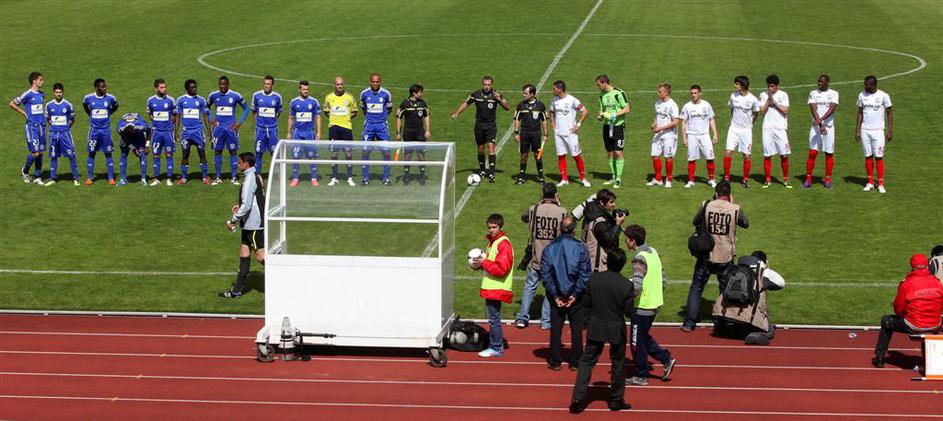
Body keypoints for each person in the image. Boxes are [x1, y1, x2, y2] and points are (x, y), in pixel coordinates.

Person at [569, 248, 634, 414]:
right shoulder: (627, 285)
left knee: (586, 362)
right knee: (618, 364)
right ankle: (616, 400)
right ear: (622, 265)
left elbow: (587, 303)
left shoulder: (594, 279)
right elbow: (628, 312)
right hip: (615, 328)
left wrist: (586, 321)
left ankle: (577, 398)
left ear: (607, 261)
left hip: (596, 326)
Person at [682, 179, 749, 331]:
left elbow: (695, 221)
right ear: (729, 194)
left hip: (706, 255)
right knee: (724, 290)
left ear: (716, 193)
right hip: (725, 256)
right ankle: (722, 323)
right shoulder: (735, 208)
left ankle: (689, 323)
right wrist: (733, 204)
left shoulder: (706, 205)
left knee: (696, 288)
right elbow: (745, 223)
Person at [623, 225, 676, 386]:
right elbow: (663, 277)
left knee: (636, 342)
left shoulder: (639, 258)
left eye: (626, 238)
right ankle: (666, 359)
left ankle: (641, 375)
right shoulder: (653, 252)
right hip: (654, 303)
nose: (625, 240)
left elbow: (637, 285)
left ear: (632, 241)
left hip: (643, 306)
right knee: (643, 337)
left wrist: (625, 296)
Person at [872, 254, 943, 367]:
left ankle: (879, 357)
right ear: (927, 266)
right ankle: (931, 359)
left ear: (912, 266)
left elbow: (898, 308)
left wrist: (904, 314)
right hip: (936, 324)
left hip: (915, 324)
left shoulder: (906, 284)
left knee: (886, 321)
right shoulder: (937, 282)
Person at [540, 216, 591, 371]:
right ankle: (575, 361)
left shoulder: (549, 248)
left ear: (559, 229)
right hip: (576, 297)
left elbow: (545, 274)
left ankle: (555, 361)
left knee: (556, 329)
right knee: (576, 330)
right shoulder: (581, 248)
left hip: (557, 297)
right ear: (574, 230)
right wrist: (574, 295)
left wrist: (556, 295)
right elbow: (585, 274)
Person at [516, 183, 566, 329]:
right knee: (550, 290)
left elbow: (524, 217)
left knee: (530, 287)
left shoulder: (534, 209)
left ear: (542, 194)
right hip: (553, 260)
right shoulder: (562, 211)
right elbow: (567, 228)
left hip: (536, 257)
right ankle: (545, 322)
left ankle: (522, 318)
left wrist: (538, 204)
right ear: (555, 195)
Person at [712, 251, 786, 345]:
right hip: (748, 319)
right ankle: (754, 335)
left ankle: (728, 329)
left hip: (726, 315)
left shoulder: (734, 269)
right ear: (764, 261)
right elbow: (781, 283)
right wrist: (766, 268)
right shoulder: (763, 272)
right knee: (770, 329)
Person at [219, 152, 266, 298]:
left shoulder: (250, 179)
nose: (238, 164)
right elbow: (251, 201)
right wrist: (239, 206)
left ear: (246, 163)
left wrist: (233, 220)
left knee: (260, 256)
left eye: (240, 162)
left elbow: (247, 206)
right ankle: (236, 290)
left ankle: (283, 276)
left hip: (254, 225)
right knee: (244, 253)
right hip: (249, 224)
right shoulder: (254, 176)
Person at [470, 214, 514, 358]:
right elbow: (493, 264)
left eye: (494, 227)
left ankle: (496, 347)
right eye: (489, 227)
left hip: (497, 287)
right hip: (493, 287)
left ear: (501, 227)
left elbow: (501, 269)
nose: (491, 230)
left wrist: (483, 263)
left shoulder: (503, 244)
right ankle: (495, 345)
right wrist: (481, 265)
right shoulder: (494, 242)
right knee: (493, 318)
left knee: (494, 319)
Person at [451, 75, 510, 182]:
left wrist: (500, 100)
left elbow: (507, 108)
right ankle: (482, 170)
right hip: (479, 125)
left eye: (488, 85)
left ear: (492, 85)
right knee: (481, 149)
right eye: (485, 84)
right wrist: (457, 113)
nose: (486, 86)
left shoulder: (496, 94)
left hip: (491, 126)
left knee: (491, 147)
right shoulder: (476, 94)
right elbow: (466, 103)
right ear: (482, 84)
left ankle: (491, 173)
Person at [208, 75, 250, 185]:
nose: (222, 86)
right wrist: (211, 120)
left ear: (227, 84)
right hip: (218, 129)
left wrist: (239, 123)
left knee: (232, 151)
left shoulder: (235, 96)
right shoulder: (213, 95)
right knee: (217, 151)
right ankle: (218, 177)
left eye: (224, 84)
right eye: (220, 84)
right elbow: (205, 107)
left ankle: (234, 177)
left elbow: (246, 108)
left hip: (231, 130)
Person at [856, 75, 893, 194]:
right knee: (868, 156)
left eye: (866, 84)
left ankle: (880, 184)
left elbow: (889, 113)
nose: (864, 86)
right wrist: (857, 130)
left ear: (873, 85)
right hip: (865, 130)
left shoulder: (883, 96)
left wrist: (890, 130)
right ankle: (870, 182)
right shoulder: (862, 95)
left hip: (878, 131)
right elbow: (860, 113)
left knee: (879, 157)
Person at [549, 80, 590, 187]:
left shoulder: (572, 100)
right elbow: (551, 111)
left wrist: (578, 125)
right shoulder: (554, 100)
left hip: (570, 134)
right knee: (561, 155)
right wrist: (553, 123)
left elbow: (585, 111)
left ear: (560, 89)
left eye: (554, 88)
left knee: (576, 156)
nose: (553, 90)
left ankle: (582, 178)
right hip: (558, 133)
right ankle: (564, 179)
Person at [8, 71, 46, 184]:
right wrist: (23, 113)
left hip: (41, 127)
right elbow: (12, 103)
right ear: (34, 81)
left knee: (41, 152)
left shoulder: (41, 94)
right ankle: (25, 171)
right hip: (31, 127)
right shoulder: (27, 94)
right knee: (35, 153)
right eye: (40, 80)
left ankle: (38, 176)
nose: (42, 81)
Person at [803, 74, 839, 189]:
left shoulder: (834, 93)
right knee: (812, 153)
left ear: (828, 82)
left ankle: (828, 179)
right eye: (818, 81)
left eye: (822, 82)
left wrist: (821, 121)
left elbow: (832, 108)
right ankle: (808, 179)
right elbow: (813, 109)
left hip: (829, 128)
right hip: (816, 128)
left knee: (829, 153)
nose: (819, 83)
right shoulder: (813, 93)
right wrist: (819, 124)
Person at [595, 75, 631, 188]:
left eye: (599, 85)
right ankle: (614, 176)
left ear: (605, 83)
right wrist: (600, 116)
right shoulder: (601, 96)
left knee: (618, 152)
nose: (598, 87)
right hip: (606, 126)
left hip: (618, 127)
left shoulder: (618, 93)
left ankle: (619, 179)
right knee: (610, 153)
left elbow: (627, 108)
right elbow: (602, 109)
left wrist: (614, 115)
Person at [723, 75, 759, 188]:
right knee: (728, 152)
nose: (735, 85)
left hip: (746, 131)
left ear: (743, 85)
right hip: (733, 129)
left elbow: (756, 113)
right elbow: (732, 109)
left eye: (737, 84)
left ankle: (745, 180)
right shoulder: (733, 95)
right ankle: (726, 178)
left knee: (746, 156)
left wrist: (750, 124)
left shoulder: (752, 99)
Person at [681, 85, 720, 188]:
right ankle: (691, 180)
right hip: (692, 135)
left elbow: (711, 119)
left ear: (700, 93)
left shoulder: (706, 105)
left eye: (695, 93)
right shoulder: (687, 106)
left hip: (705, 135)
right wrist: (684, 137)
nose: (693, 95)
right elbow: (683, 122)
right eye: (692, 93)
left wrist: (715, 133)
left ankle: (711, 179)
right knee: (691, 158)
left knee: (710, 157)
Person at [82, 78, 119, 185]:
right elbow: (84, 105)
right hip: (93, 131)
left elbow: (116, 106)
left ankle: (111, 178)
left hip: (106, 131)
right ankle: (89, 178)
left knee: (108, 153)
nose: (104, 88)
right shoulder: (88, 98)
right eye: (102, 87)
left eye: (105, 86)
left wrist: (109, 113)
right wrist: (90, 114)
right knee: (91, 153)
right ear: (96, 88)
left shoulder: (110, 98)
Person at [175, 79, 212, 184]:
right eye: (192, 87)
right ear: (187, 88)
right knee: (185, 154)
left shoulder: (201, 100)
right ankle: (184, 177)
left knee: (202, 153)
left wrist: (209, 131)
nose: (195, 89)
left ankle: (204, 177)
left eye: (195, 87)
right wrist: (176, 131)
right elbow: (178, 116)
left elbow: (205, 116)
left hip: (198, 132)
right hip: (186, 132)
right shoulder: (181, 100)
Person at [758, 75, 792, 189]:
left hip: (780, 129)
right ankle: (767, 180)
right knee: (767, 155)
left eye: (772, 86)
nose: (770, 88)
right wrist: (768, 101)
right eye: (768, 86)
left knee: (784, 155)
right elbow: (762, 111)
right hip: (767, 128)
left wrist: (775, 103)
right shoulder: (763, 95)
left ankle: (785, 179)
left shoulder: (783, 95)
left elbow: (786, 110)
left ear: (777, 86)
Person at [359, 73, 393, 186]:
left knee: (386, 152)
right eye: (373, 81)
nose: (375, 83)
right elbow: (363, 108)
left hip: (382, 126)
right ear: (370, 82)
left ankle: (386, 178)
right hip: (369, 125)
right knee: (365, 152)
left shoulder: (386, 94)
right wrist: (371, 118)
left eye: (377, 81)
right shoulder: (364, 94)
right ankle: (365, 178)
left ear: (380, 82)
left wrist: (380, 118)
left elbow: (389, 109)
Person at [43, 83, 80, 186]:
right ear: (53, 93)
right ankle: (53, 178)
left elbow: (72, 119)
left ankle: (76, 178)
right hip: (54, 135)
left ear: (62, 92)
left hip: (65, 134)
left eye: (60, 92)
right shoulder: (49, 105)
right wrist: (54, 127)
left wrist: (66, 128)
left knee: (71, 155)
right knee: (53, 156)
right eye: (56, 92)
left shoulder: (68, 105)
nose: (58, 94)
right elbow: (48, 118)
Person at [287, 80, 322, 187]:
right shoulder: (294, 102)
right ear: (299, 89)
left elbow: (318, 117)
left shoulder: (314, 102)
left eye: (307, 89)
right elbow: (291, 117)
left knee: (312, 156)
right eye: (303, 89)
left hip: (309, 133)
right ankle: (295, 178)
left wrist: (319, 132)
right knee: (295, 156)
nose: (306, 91)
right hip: (297, 133)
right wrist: (288, 133)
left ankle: (314, 178)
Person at [323, 76, 358, 186]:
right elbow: (326, 111)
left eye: (341, 84)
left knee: (348, 153)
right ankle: (334, 177)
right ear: (334, 85)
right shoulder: (329, 97)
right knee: (334, 154)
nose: (340, 86)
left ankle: (350, 177)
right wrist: (334, 119)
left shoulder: (349, 97)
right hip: (333, 128)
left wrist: (347, 118)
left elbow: (355, 111)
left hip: (346, 128)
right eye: (338, 84)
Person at [581, 189, 626, 272]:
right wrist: (617, 225)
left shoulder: (591, 213)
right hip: (597, 265)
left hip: (587, 259)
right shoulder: (599, 221)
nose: (614, 205)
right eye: (611, 202)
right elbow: (609, 240)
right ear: (602, 202)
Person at [396, 84, 431, 185]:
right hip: (408, 132)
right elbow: (399, 118)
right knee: (408, 154)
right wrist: (398, 133)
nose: (422, 94)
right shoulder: (405, 104)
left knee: (421, 154)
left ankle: (422, 175)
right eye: (420, 92)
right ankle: (406, 176)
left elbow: (427, 116)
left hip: (420, 132)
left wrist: (427, 130)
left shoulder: (423, 103)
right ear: (414, 93)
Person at [513, 83, 548, 184]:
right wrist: (516, 133)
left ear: (532, 94)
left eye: (526, 93)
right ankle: (522, 175)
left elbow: (544, 120)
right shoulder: (521, 105)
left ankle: (541, 176)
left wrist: (546, 134)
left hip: (536, 134)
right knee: (524, 155)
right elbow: (517, 119)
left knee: (538, 155)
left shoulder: (540, 105)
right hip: (524, 133)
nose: (524, 95)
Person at [647, 83, 680, 188]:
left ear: (666, 92)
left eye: (660, 91)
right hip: (658, 134)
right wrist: (654, 124)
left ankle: (669, 179)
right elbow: (656, 117)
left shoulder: (673, 105)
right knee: (654, 155)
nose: (658, 93)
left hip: (669, 135)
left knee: (668, 157)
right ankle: (658, 179)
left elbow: (675, 122)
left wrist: (661, 128)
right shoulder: (657, 103)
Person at [146, 79, 178, 186]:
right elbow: (150, 114)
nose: (164, 89)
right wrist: (156, 120)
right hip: (156, 133)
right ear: (156, 88)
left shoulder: (171, 100)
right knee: (156, 155)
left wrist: (169, 123)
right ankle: (157, 179)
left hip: (168, 132)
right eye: (162, 87)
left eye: (165, 87)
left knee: (169, 154)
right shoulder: (150, 100)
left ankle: (169, 178)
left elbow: (174, 115)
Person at [251, 75, 283, 173]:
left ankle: (277, 176)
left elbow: (279, 111)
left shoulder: (277, 97)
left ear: (272, 85)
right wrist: (258, 123)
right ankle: (257, 176)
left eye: (268, 84)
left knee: (274, 153)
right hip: (260, 129)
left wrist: (272, 120)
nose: (266, 86)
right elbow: (254, 111)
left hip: (273, 129)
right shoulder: (256, 95)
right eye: (265, 84)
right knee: (258, 152)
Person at [115, 112, 151, 186]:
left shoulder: (141, 125)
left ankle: (143, 179)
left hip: (138, 136)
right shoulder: (120, 127)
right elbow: (125, 138)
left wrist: (147, 145)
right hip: (125, 138)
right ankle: (123, 179)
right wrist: (134, 149)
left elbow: (149, 131)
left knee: (142, 154)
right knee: (123, 154)